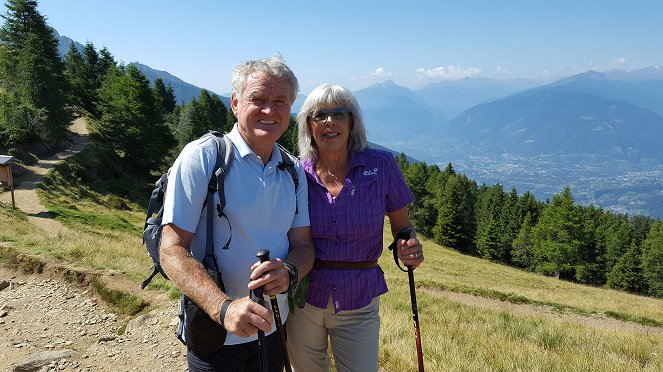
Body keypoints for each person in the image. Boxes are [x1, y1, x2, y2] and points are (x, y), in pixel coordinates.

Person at [159, 55, 315, 371]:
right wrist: (224, 308)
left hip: (274, 326)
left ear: (290, 109)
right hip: (215, 331)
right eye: (257, 99)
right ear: (235, 103)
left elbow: (304, 247)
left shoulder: (294, 170)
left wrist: (289, 272)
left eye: (280, 101)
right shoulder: (203, 157)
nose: (269, 110)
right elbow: (171, 250)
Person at [286, 83, 424, 371]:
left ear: (352, 122)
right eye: (319, 115)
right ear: (308, 125)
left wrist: (408, 247)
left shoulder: (382, 165)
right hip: (304, 299)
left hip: (359, 298)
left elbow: (402, 226)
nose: (329, 122)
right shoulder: (297, 173)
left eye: (339, 114)